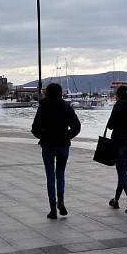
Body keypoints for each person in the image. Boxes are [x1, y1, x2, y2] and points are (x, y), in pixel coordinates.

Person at [31, 83, 81, 219]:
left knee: (50, 176)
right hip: (63, 145)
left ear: (47, 93)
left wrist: (44, 136)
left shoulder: (43, 107)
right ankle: (62, 201)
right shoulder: (66, 107)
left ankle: (53, 209)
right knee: (60, 174)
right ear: (60, 93)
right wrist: (67, 136)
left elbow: (35, 128)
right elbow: (77, 126)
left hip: (48, 145)